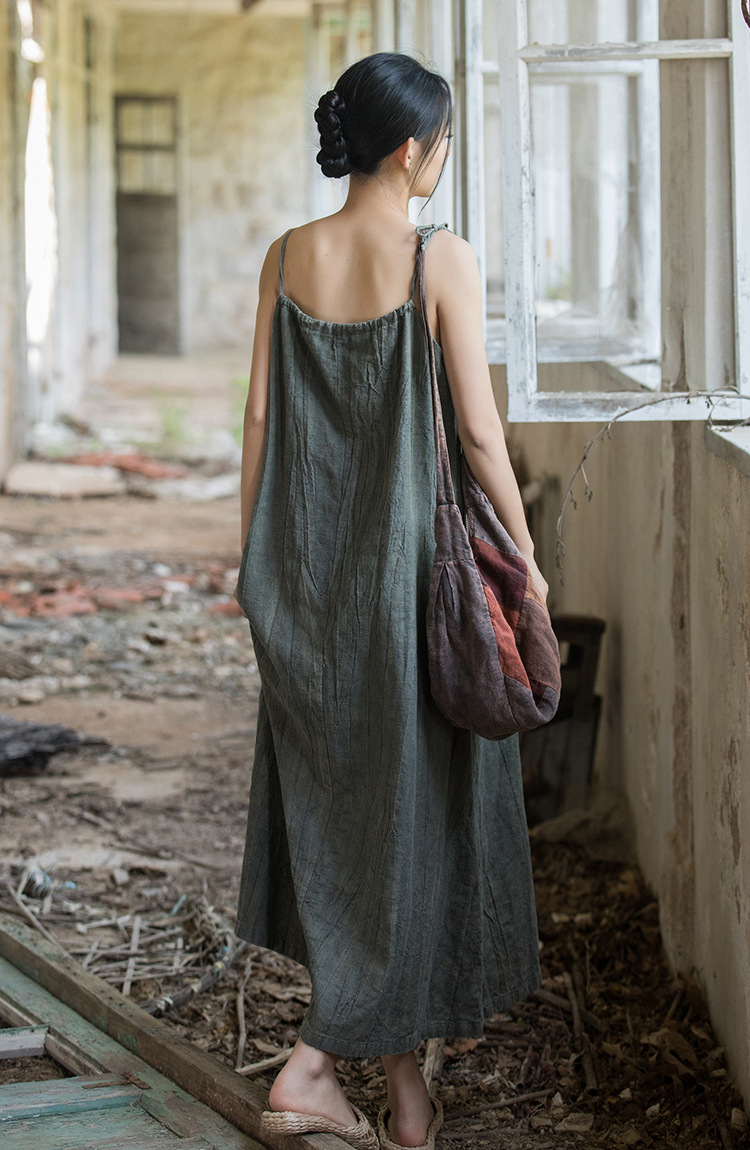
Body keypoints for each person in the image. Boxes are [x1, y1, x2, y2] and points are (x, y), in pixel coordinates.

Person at [234, 51, 547, 1150]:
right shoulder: (435, 258)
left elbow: (260, 423)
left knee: (355, 832)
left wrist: (251, 568)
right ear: (413, 150)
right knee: (413, 830)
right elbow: (479, 435)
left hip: (299, 587)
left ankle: (405, 1098)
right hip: (408, 597)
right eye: (443, 143)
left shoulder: (285, 256)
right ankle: (315, 1060)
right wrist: (526, 561)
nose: (443, 159)